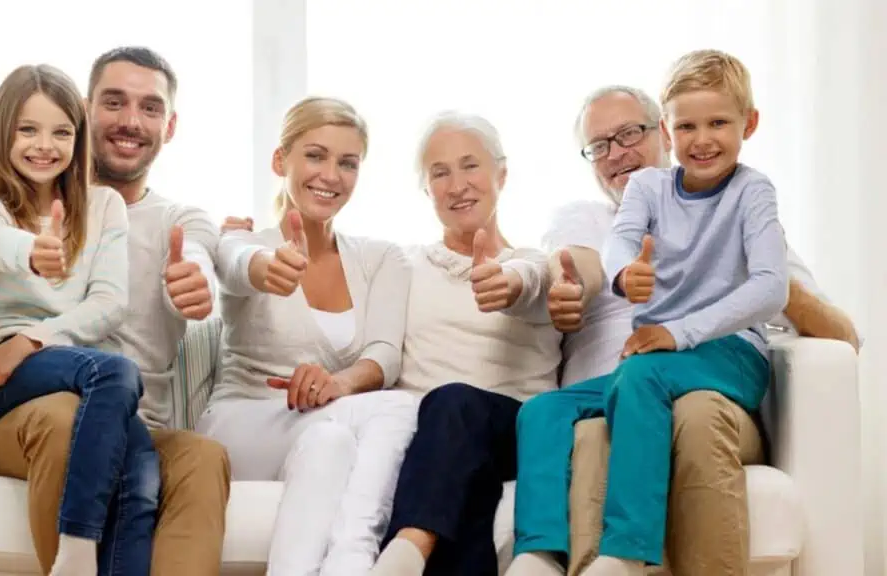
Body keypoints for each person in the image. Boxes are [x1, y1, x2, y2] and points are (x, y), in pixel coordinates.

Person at [0, 47, 230, 576]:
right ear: (86, 111)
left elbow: (201, 255)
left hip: (133, 421)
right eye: (114, 102)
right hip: (32, 413)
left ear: (169, 124)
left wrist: (201, 286)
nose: (131, 121)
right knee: (64, 416)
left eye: (150, 107)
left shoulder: (175, 219)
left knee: (200, 458)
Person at [510, 78, 860, 576]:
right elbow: (582, 264)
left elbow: (841, 334)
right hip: (631, 382)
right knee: (567, 416)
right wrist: (607, 278)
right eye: (599, 146)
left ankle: (627, 552)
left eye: (629, 134)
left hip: (710, 382)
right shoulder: (593, 217)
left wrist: (763, 262)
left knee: (689, 411)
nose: (617, 154)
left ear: (659, 134)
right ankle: (542, 554)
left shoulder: (745, 203)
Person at [0, 62, 153, 576]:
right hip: (11, 380)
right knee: (118, 371)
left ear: (78, 140)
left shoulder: (103, 206)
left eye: (61, 131)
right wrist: (32, 250)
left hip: (63, 366)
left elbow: (109, 305)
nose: (45, 145)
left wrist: (31, 339)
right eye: (28, 129)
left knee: (141, 466)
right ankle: (75, 552)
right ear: (2, 135)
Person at [198, 96, 416, 575]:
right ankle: (355, 559)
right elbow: (236, 266)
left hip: (323, 422)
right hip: (243, 423)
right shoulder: (244, 242)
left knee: (331, 443)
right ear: (281, 161)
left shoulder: (382, 258)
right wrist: (265, 267)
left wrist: (338, 383)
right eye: (315, 155)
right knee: (401, 407)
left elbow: (384, 354)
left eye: (348, 163)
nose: (331, 175)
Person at [367, 112, 563, 576]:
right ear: (427, 189)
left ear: (501, 174)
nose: (457, 185)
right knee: (465, 487)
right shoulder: (402, 265)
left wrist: (507, 283)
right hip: (435, 441)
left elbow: (531, 282)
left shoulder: (534, 263)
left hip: (514, 431)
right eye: (440, 172)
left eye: (470, 165)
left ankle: (405, 549)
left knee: (454, 402)